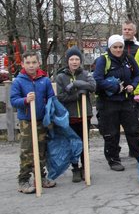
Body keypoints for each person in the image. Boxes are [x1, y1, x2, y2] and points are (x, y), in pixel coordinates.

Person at [94, 35, 139, 171]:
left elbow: (138, 74)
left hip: (126, 100)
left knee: (133, 130)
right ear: (110, 47)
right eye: (115, 47)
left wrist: (133, 85)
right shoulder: (103, 60)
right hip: (108, 101)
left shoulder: (128, 58)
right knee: (112, 132)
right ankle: (114, 159)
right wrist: (115, 87)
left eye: (120, 47)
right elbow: (97, 79)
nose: (118, 49)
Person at [11, 51, 57, 193]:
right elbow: (13, 101)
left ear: (38, 63)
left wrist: (50, 110)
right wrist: (25, 100)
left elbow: (51, 98)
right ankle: (23, 180)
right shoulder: (18, 81)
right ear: (23, 64)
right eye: (28, 63)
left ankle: (40, 177)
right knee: (27, 150)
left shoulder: (45, 80)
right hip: (27, 121)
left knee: (41, 149)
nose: (31, 65)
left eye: (34, 62)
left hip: (42, 120)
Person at [54, 46, 96, 183]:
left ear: (80, 61)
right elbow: (61, 97)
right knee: (73, 143)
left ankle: (85, 168)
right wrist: (77, 95)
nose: (74, 62)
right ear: (68, 61)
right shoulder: (61, 77)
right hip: (70, 116)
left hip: (84, 114)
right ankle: (75, 168)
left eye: (77, 59)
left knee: (84, 143)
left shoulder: (85, 74)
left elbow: (93, 86)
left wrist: (77, 83)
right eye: (72, 59)